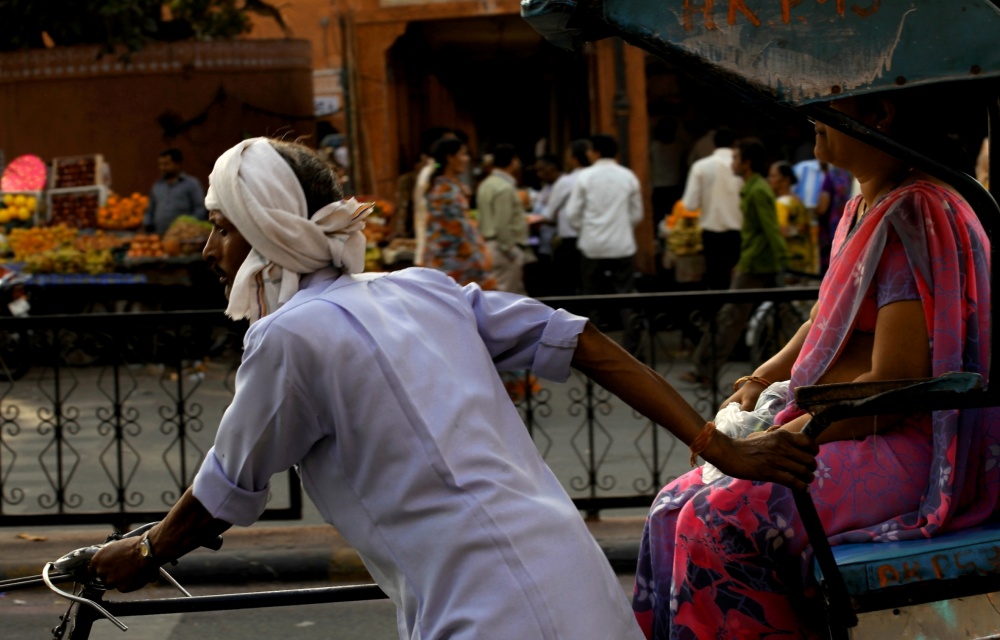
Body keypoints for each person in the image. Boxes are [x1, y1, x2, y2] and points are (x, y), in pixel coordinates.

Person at [88, 137, 817, 640]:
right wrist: (715, 443)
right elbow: (584, 341)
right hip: (575, 577)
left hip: (484, 611)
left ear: (266, 229)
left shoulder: (288, 337)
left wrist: (144, 551)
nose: (211, 250)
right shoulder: (422, 290)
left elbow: (221, 493)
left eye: (223, 229)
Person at [633, 87, 1000, 639]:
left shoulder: (914, 210)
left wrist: (785, 438)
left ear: (879, 114)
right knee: (670, 507)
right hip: (837, 428)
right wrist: (761, 379)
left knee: (717, 520)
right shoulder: (864, 205)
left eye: (832, 104)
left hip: (911, 445)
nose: (812, 118)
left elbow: (895, 384)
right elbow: (826, 319)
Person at [683, 138, 787, 386]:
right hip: (753, 260)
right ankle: (705, 367)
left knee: (731, 318)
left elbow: (770, 229)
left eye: (736, 158)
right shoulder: (752, 187)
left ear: (747, 163)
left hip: (757, 263)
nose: (733, 162)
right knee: (737, 317)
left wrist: (783, 258)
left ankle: (706, 369)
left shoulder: (758, 189)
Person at [566, 133, 644, 353]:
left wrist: (587, 229)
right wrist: (621, 227)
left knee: (592, 297)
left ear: (596, 152)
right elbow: (636, 214)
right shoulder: (627, 176)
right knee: (626, 295)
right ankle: (632, 346)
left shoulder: (585, 176)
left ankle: (593, 349)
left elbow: (573, 213)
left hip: (592, 245)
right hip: (622, 244)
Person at [422, 137, 496, 289]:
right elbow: (460, 233)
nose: (467, 159)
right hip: (454, 265)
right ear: (450, 157)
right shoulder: (445, 192)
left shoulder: (448, 187)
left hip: (453, 263)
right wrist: (481, 260)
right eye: (463, 154)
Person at [680, 127, 744, 290]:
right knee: (739, 279)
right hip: (739, 231)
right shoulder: (743, 166)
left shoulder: (701, 166)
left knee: (716, 277)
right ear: (735, 144)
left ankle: (718, 313)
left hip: (712, 233)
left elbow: (690, 204)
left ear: (713, 144)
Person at [475, 143, 531, 294]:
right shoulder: (504, 187)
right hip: (502, 248)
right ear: (514, 161)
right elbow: (502, 224)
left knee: (501, 293)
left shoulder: (486, 183)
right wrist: (511, 250)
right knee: (506, 297)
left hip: (490, 245)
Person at [543, 138, 591, 295]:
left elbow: (549, 214)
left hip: (571, 238)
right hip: (596, 238)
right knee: (590, 284)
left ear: (574, 158)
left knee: (568, 285)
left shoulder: (566, 181)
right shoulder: (597, 178)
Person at [143, 148, 207, 235]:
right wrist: (148, 224)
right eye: (160, 164)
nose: (162, 168)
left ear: (177, 164)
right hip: (159, 235)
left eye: (166, 164)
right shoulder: (157, 185)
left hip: (183, 237)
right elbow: (150, 210)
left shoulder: (191, 184)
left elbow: (200, 208)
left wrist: (188, 226)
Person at [768, 160, 814, 274]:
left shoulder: (781, 203)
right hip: (805, 255)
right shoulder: (798, 200)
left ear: (785, 180)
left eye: (773, 176)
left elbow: (783, 232)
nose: (769, 179)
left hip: (790, 258)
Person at [814, 161, 853, 273]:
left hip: (831, 232)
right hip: (848, 228)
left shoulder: (830, 176)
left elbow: (822, 208)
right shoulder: (849, 175)